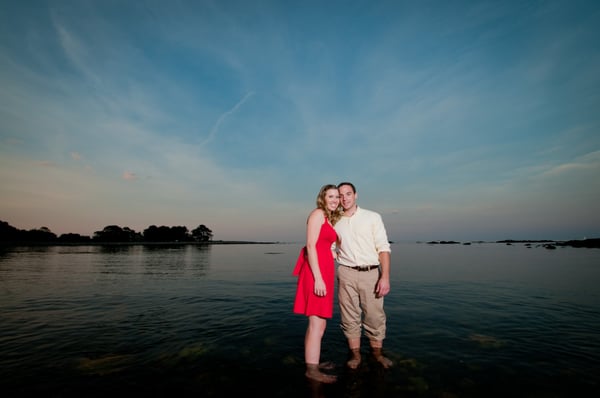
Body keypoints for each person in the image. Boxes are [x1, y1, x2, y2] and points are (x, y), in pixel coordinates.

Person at [334, 181, 393, 369]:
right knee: (349, 316)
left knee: (374, 316)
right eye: (341, 195)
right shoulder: (334, 220)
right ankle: (356, 356)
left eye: (348, 194)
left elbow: (383, 248)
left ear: (356, 195)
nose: (344, 198)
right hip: (345, 273)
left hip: (371, 273)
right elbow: (331, 248)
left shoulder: (372, 217)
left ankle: (377, 354)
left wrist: (385, 277)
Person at [293, 184, 343, 383]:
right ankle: (311, 371)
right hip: (316, 273)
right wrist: (319, 278)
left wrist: (334, 252)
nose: (334, 200)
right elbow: (311, 246)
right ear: (322, 197)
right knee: (316, 323)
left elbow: (323, 245)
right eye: (330, 196)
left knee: (319, 324)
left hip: (323, 271)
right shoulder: (317, 214)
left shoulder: (328, 218)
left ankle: (312, 362)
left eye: (337, 197)